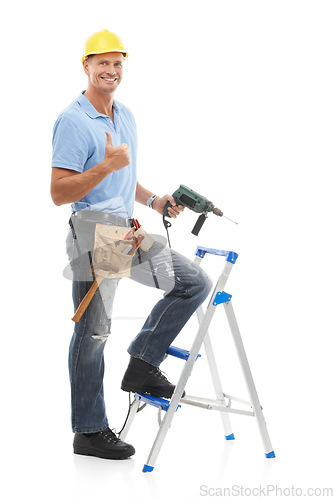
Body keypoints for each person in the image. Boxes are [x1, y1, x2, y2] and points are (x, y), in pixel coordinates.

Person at [51, 29, 212, 460]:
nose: (111, 70)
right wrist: (105, 165)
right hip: (94, 231)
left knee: (193, 281)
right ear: (85, 66)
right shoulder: (73, 119)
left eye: (117, 63)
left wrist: (154, 198)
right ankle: (88, 431)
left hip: (126, 230)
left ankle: (142, 362)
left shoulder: (125, 116)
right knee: (94, 331)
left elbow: (125, 177)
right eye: (102, 62)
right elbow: (59, 192)